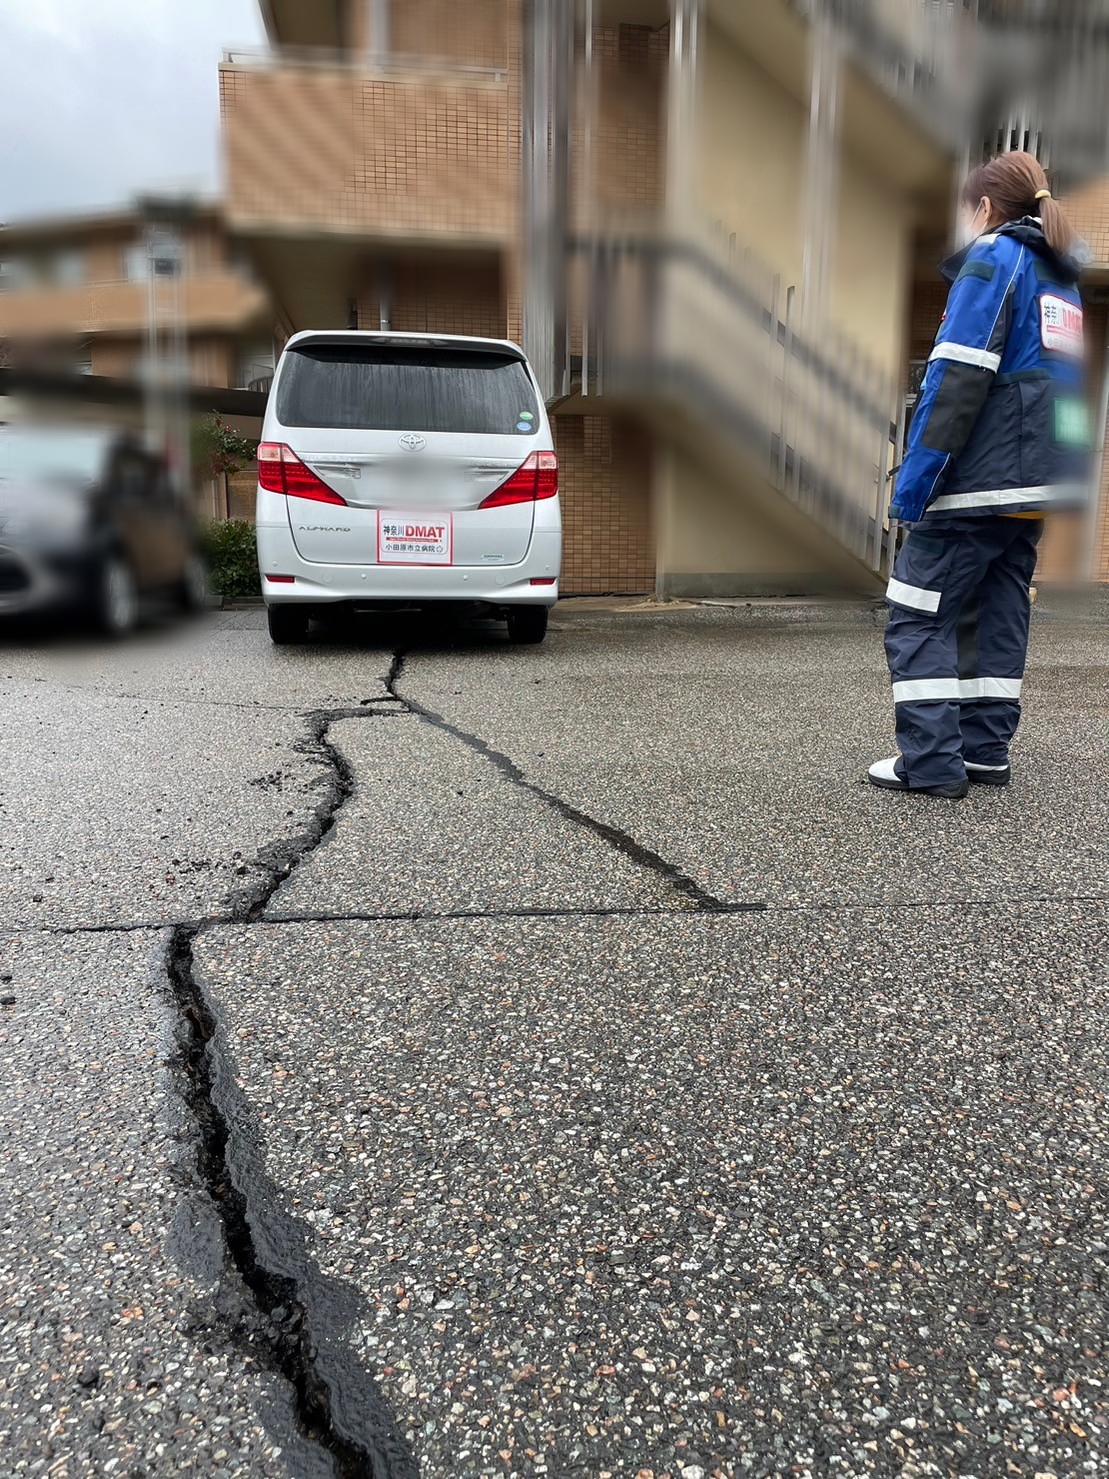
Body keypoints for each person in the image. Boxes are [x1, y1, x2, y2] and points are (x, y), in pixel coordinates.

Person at [869, 151, 1091, 799]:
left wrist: (913, 485)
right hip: (1034, 485)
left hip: (979, 482)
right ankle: (984, 751)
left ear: (986, 209)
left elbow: (957, 377)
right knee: (995, 608)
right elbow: (1067, 392)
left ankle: (931, 764)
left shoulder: (995, 257)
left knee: (916, 613)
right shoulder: (1061, 278)